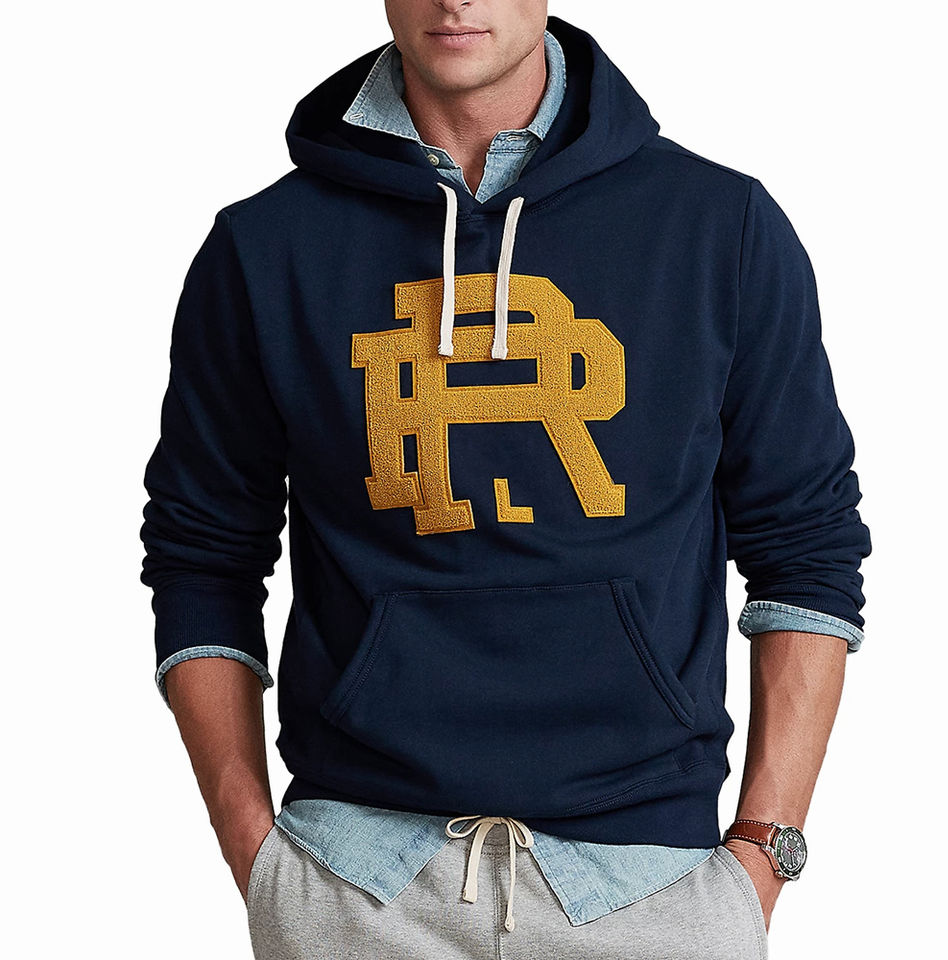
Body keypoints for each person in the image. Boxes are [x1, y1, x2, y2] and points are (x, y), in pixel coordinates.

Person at [139, 3, 872, 958]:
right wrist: (258, 856)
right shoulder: (264, 245)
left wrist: (763, 855)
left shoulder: (718, 225)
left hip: (651, 888)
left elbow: (807, 547)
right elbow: (202, 555)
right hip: (356, 883)